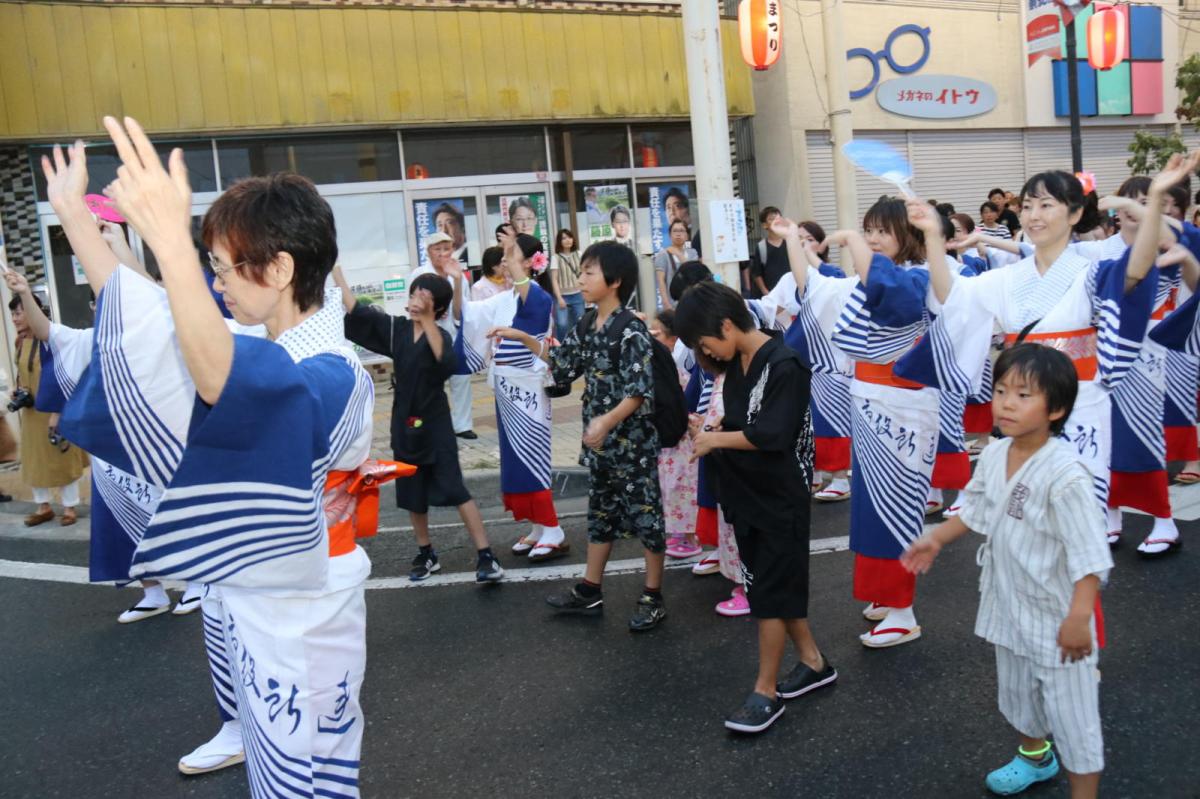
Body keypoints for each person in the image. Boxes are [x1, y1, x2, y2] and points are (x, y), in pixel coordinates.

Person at [50, 120, 382, 795]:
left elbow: (230, 381)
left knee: (307, 782)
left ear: (281, 268)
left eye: (226, 268)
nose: (217, 284)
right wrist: (76, 222)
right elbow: (153, 316)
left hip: (306, 616)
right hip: (263, 600)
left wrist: (170, 239)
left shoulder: (337, 370)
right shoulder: (263, 338)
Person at [899, 164, 1170, 559]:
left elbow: (1138, 268)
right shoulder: (1008, 277)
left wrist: (1157, 197)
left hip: (1078, 404)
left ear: (1075, 214)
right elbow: (952, 297)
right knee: (1024, 519)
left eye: (1047, 205)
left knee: (1078, 522)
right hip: (1022, 405)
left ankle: (1080, 611)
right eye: (1027, 206)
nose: (1034, 215)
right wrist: (931, 236)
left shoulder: (1090, 269)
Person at [903, 344, 1110, 799]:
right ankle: (1035, 756)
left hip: (1058, 618)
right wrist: (937, 537)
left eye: (1023, 395)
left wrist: (1079, 617)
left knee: (1074, 717)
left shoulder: (1067, 476)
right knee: (1019, 695)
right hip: (1008, 603)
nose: (1007, 403)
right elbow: (976, 507)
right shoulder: (996, 454)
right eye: (1000, 391)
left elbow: (1090, 553)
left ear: (1055, 409)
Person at [675, 281, 835, 734]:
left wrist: (713, 438)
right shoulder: (741, 360)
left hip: (780, 495)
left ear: (725, 324)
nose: (708, 353)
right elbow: (743, 421)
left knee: (766, 596)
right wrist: (712, 426)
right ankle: (814, 662)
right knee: (771, 586)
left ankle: (765, 692)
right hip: (746, 492)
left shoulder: (785, 364)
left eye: (706, 343)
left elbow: (773, 434)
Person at [491, 241, 667, 631]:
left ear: (615, 281)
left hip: (631, 446)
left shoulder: (631, 329)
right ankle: (590, 588)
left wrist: (605, 422)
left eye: (590, 273)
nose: (581, 280)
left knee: (647, 518)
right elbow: (564, 364)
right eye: (582, 271)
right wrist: (521, 338)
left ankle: (653, 596)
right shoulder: (588, 323)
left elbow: (639, 391)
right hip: (601, 448)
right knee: (600, 517)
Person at [336, 267, 504, 583]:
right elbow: (357, 312)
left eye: (423, 298)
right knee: (412, 491)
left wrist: (427, 320)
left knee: (455, 487)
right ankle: (426, 553)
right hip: (404, 421)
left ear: (437, 308)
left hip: (435, 423)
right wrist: (337, 274)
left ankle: (486, 555)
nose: (415, 301)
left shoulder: (440, 335)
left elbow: (446, 364)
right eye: (414, 294)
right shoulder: (397, 329)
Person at [457, 231, 567, 562]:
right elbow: (469, 313)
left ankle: (553, 527)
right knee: (514, 458)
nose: (503, 260)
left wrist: (513, 251)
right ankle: (537, 526)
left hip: (528, 384)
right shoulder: (506, 297)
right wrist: (451, 278)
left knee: (532, 455)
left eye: (509, 254)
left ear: (529, 262)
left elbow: (529, 317)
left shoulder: (537, 296)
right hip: (505, 384)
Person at [6, 292, 86, 528]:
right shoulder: (20, 340)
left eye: (19, 312)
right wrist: (17, 389)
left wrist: (58, 411)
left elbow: (66, 374)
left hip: (55, 408)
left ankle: (70, 507)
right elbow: (22, 371)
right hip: (31, 413)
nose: (15, 318)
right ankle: (44, 506)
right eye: (12, 313)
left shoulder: (52, 340)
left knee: (61, 456)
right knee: (34, 460)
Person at [411, 231, 477, 439]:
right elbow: (413, 305)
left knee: (461, 378)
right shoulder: (419, 274)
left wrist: (457, 281)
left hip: (454, 333)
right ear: (429, 252)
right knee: (428, 380)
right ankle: (425, 424)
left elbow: (459, 311)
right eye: (437, 249)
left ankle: (463, 425)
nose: (442, 254)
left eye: (446, 249)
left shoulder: (459, 274)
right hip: (428, 333)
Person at [649, 309, 701, 560]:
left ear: (672, 338)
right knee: (669, 486)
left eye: (656, 332)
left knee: (682, 486)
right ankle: (678, 533)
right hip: (670, 436)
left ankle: (690, 537)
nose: (651, 336)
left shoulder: (675, 359)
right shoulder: (663, 360)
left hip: (682, 437)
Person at [652, 219, 698, 310]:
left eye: (681, 231)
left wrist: (678, 254)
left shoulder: (693, 253)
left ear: (687, 235)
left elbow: (693, 272)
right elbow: (661, 282)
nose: (678, 234)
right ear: (670, 235)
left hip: (693, 303)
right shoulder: (663, 255)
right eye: (675, 231)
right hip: (674, 305)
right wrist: (666, 305)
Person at [550, 229, 585, 339]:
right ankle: (561, 347)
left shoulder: (579, 254)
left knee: (580, 323)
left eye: (569, 237)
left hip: (578, 295)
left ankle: (578, 346)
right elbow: (554, 279)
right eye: (564, 238)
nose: (567, 240)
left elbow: (584, 274)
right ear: (559, 241)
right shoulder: (555, 257)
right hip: (563, 296)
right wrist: (559, 298)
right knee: (562, 324)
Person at [751, 206, 789, 296]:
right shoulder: (761, 247)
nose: (776, 221)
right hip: (772, 294)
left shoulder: (790, 243)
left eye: (778, 218)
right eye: (772, 219)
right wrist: (765, 292)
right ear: (765, 225)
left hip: (790, 292)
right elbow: (757, 273)